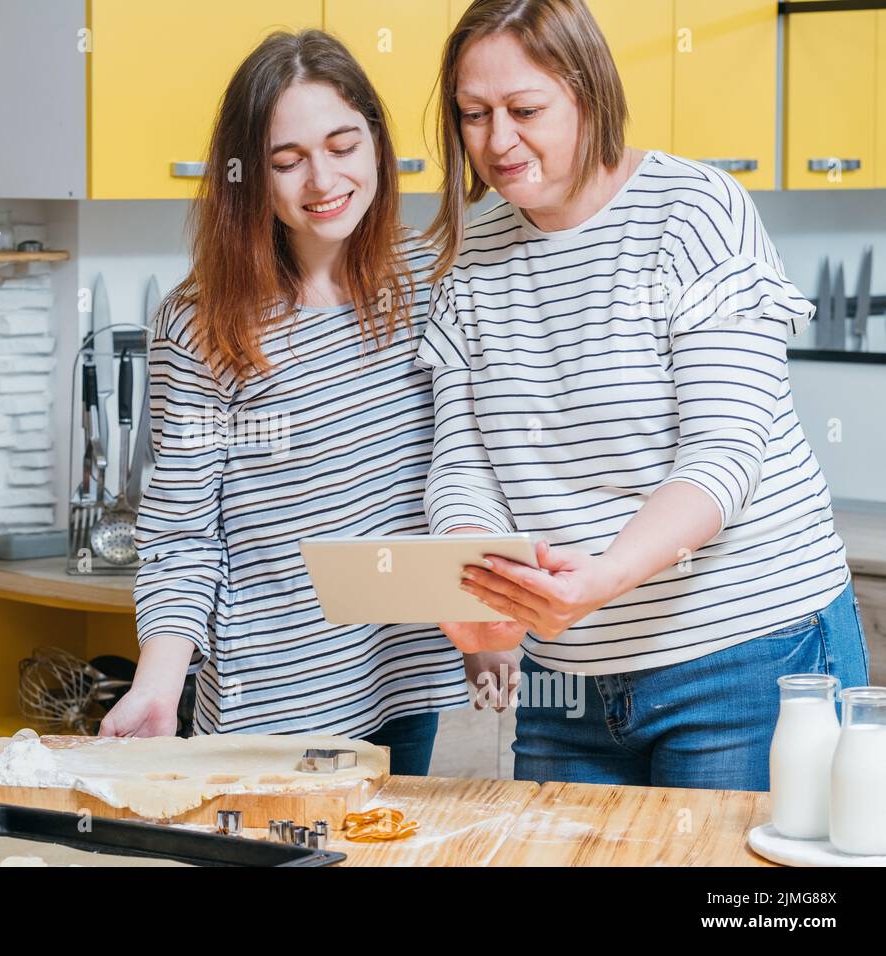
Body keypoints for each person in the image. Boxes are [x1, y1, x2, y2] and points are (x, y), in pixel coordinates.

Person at [419, 0, 869, 790]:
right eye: (473, 114)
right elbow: (463, 466)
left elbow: (724, 455)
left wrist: (602, 577)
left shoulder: (694, 211)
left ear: (589, 92)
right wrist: (477, 578)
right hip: (566, 679)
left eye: (525, 110)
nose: (496, 141)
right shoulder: (470, 257)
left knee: (743, 909)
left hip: (745, 650)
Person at [99, 29, 513, 775]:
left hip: (404, 677)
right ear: (248, 177)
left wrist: (482, 633)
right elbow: (182, 536)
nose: (322, 180)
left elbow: (466, 465)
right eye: (286, 162)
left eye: (343, 146)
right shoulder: (201, 325)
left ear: (378, 145)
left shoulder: (432, 280)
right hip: (273, 705)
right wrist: (159, 684)